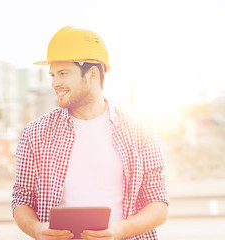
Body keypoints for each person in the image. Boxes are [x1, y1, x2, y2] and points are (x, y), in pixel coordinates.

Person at [12, 26, 169, 240]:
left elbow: (158, 203)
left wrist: (120, 230)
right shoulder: (35, 134)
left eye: (63, 73)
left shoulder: (141, 131)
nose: (54, 83)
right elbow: (22, 199)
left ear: (92, 74)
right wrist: (36, 229)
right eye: (53, 75)